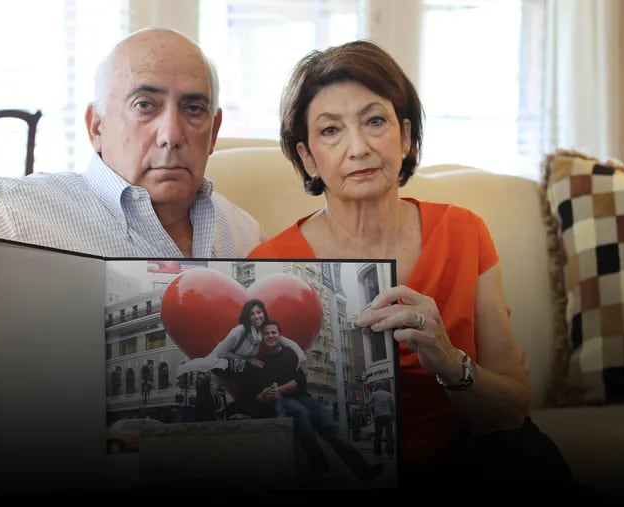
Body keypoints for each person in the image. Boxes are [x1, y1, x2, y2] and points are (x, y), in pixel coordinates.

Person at [247, 40, 588, 497]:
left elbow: (510, 412)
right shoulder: (269, 266)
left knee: (522, 456)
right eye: (331, 131)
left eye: (375, 121)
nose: (359, 147)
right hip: (340, 472)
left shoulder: (463, 231)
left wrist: (446, 358)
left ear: (405, 137)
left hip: (464, 459)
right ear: (308, 157)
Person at [0, 26, 263, 311]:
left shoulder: (246, 235)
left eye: (193, 109)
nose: (171, 134)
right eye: (145, 105)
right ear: (96, 127)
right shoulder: (18, 215)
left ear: (213, 132)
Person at [238, 319, 383, 483]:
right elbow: (256, 393)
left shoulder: (291, 354)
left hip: (301, 396)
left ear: (279, 335)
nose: (270, 336)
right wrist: (264, 395)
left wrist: (279, 389)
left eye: (273, 332)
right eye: (266, 333)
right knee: (301, 413)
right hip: (280, 401)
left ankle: (364, 471)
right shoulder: (259, 361)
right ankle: (320, 467)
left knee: (330, 426)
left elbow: (299, 381)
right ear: (262, 337)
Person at [176, 298, 307, 419]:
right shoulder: (240, 331)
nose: (257, 316)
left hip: (240, 368)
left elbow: (288, 342)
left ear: (264, 313)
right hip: (220, 365)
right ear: (247, 316)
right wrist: (247, 360)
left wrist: (302, 359)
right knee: (251, 372)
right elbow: (219, 352)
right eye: (252, 314)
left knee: (254, 377)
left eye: (259, 312)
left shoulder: (262, 331)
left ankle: (239, 410)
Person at [365, 382, 395, 459]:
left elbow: (367, 403)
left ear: (376, 387)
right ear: (383, 386)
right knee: (389, 435)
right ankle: (390, 452)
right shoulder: (389, 394)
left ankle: (377, 452)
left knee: (378, 434)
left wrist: (373, 406)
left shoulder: (374, 394)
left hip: (378, 416)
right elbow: (392, 405)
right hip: (387, 416)